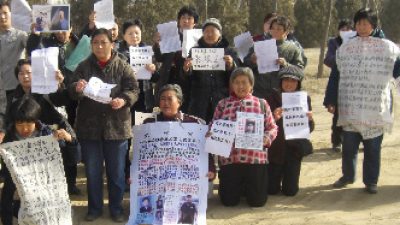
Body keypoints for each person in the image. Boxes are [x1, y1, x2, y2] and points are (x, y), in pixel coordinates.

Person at [69, 28, 139, 222]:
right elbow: (70, 89)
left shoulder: (123, 66)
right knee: (92, 172)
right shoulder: (83, 66)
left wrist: (124, 100)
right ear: (91, 45)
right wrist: (77, 88)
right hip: (89, 128)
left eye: (103, 42)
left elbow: (134, 89)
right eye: (95, 43)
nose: (99, 46)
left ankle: (116, 209)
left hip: (116, 127)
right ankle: (94, 208)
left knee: (116, 173)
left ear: (112, 44)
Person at [331, 8, 400, 194]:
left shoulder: (388, 48)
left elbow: (397, 71)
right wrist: (330, 100)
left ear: (373, 25)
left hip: (374, 108)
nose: (362, 27)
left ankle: (371, 181)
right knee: (349, 147)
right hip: (351, 107)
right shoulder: (346, 48)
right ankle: (348, 175)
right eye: (359, 23)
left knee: (373, 149)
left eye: (366, 23)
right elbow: (336, 76)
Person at [10, 59, 81, 195]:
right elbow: (9, 118)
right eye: (21, 73)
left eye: (29, 73)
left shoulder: (45, 88)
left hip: (55, 127)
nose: (25, 76)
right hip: (30, 134)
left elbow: (62, 98)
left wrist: (60, 83)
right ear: (17, 76)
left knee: (67, 152)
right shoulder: (13, 96)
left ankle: (70, 184)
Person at [0, 96, 74, 225]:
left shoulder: (48, 135)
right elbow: (6, 172)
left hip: (46, 189)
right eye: (20, 124)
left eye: (29, 124)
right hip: (18, 192)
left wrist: (70, 140)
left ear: (36, 120)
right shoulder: (9, 138)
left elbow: (72, 159)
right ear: (14, 123)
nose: (25, 129)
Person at [209, 67, 277, 207]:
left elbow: (272, 127)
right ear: (232, 85)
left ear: (251, 85)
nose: (240, 86)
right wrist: (211, 132)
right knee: (228, 201)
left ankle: (248, 188)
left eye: (244, 82)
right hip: (230, 160)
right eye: (237, 82)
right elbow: (213, 124)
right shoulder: (223, 104)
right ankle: (239, 188)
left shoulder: (261, 103)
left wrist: (266, 138)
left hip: (255, 160)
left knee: (257, 202)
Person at [143, 84, 216, 195]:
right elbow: (142, 153)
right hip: (159, 175)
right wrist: (134, 174)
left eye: (169, 99)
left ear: (179, 102)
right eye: (162, 99)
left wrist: (210, 169)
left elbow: (203, 150)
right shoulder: (150, 123)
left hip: (185, 175)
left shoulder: (193, 123)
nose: (166, 103)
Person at [117, 19, 157, 190]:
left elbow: (156, 78)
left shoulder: (148, 52)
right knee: (125, 140)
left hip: (145, 102)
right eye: (130, 33)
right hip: (127, 103)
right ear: (124, 36)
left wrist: (153, 70)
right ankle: (126, 175)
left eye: (137, 33)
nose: (134, 36)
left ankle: (143, 173)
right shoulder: (119, 54)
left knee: (143, 139)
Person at [267, 65, 314, 196]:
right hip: (275, 149)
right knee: (271, 190)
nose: (288, 84)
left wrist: (309, 120)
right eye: (286, 80)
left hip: (294, 150)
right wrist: (273, 116)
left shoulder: (304, 99)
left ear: (298, 83)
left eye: (293, 81)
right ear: (280, 81)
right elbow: (264, 125)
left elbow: (309, 129)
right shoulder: (271, 98)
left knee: (290, 191)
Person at [183, 18, 237, 123]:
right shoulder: (194, 51)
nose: (209, 34)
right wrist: (186, 69)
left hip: (222, 100)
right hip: (199, 101)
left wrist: (231, 65)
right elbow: (188, 77)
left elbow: (238, 76)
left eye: (213, 31)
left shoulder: (229, 51)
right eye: (206, 31)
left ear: (220, 33)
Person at [244, 16, 305, 98]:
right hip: (259, 91)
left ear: (286, 32)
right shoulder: (259, 45)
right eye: (273, 28)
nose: (275, 31)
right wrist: (252, 60)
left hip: (281, 93)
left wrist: (285, 65)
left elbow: (300, 70)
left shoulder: (293, 48)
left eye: (279, 29)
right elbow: (245, 65)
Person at [153, 5, 199, 113]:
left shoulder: (199, 41)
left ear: (194, 23)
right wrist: (157, 44)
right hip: (167, 80)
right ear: (178, 21)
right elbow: (160, 57)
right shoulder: (170, 35)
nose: (186, 21)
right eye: (183, 18)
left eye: (189, 18)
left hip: (187, 85)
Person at [323, 19, 353, 153]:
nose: (345, 32)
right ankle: (337, 142)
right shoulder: (333, 42)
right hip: (339, 81)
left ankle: (357, 141)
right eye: (343, 29)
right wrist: (340, 56)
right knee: (338, 115)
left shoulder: (358, 42)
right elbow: (328, 60)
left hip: (355, 83)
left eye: (348, 29)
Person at [0, 0, 28, 106]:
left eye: (5, 13)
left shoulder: (20, 35)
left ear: (11, 14)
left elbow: (33, 48)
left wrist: (36, 33)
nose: (2, 17)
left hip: (15, 87)